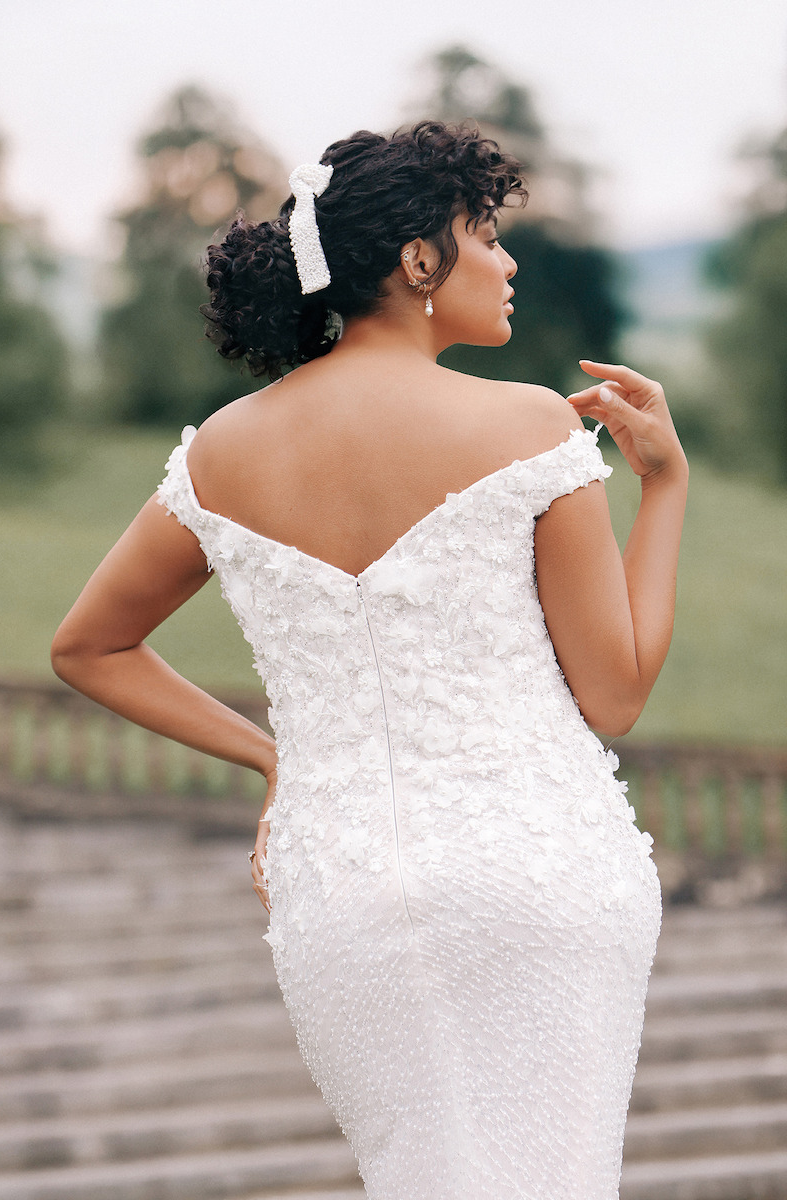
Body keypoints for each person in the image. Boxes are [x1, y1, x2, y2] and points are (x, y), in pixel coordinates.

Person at [52, 121, 688, 1199]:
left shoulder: (218, 451)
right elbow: (615, 694)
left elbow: (89, 647)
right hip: (539, 874)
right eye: (484, 233)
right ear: (416, 260)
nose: (508, 260)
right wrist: (663, 488)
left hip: (338, 889)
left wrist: (275, 765)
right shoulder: (530, 426)